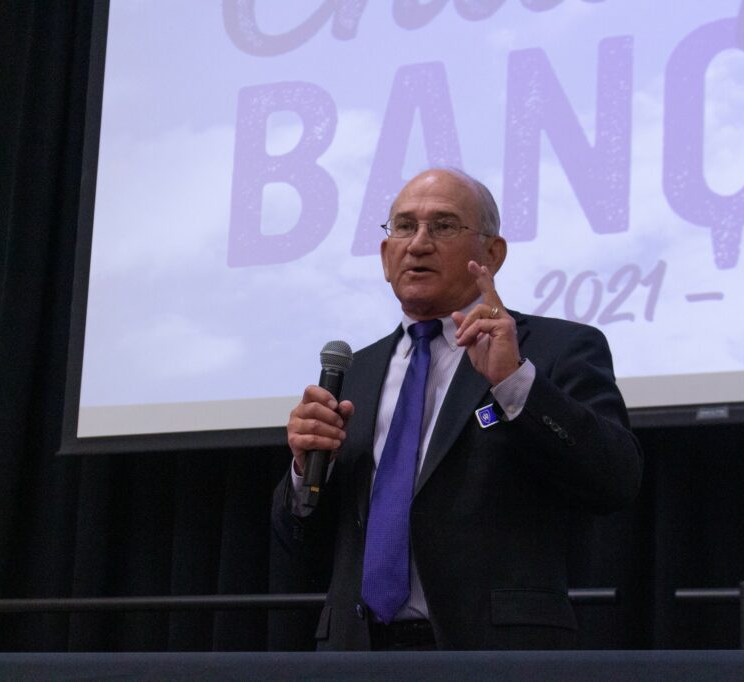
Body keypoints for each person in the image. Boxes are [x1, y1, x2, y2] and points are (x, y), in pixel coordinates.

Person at [272, 168, 642, 651]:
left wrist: (515, 382)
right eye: (403, 227)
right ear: (385, 257)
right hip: (355, 653)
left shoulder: (556, 350)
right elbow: (300, 542)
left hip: (494, 654)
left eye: (443, 226)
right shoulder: (355, 375)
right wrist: (304, 470)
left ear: (493, 253)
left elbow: (615, 479)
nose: (418, 243)